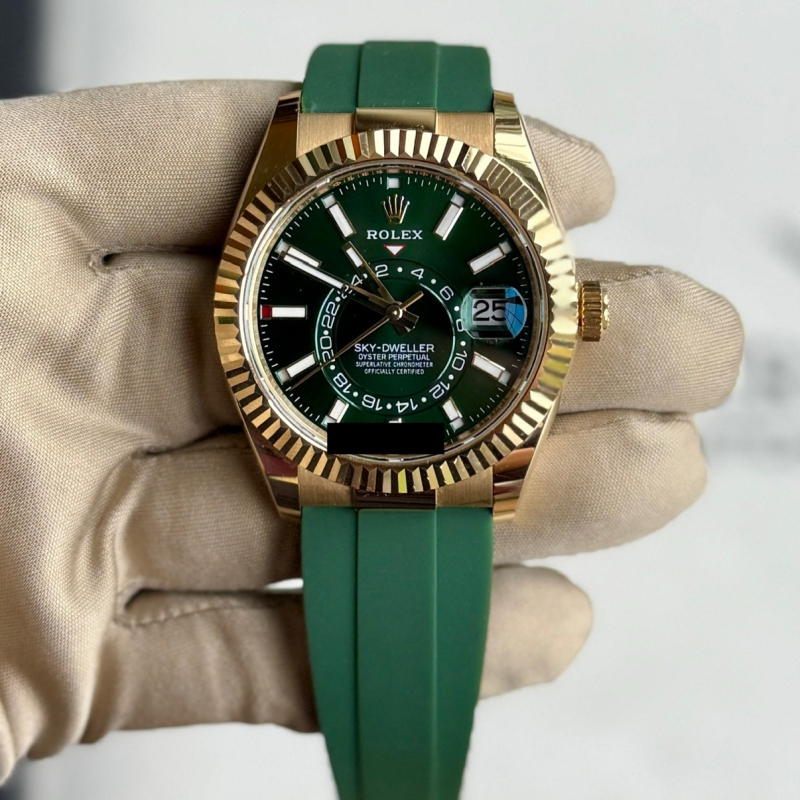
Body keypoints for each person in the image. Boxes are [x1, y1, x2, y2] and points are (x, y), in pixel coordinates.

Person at [0, 80, 743, 783]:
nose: (399, 317)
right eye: (391, 311)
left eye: (405, 313)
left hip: (365, 429)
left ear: (581, 310)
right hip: (334, 434)